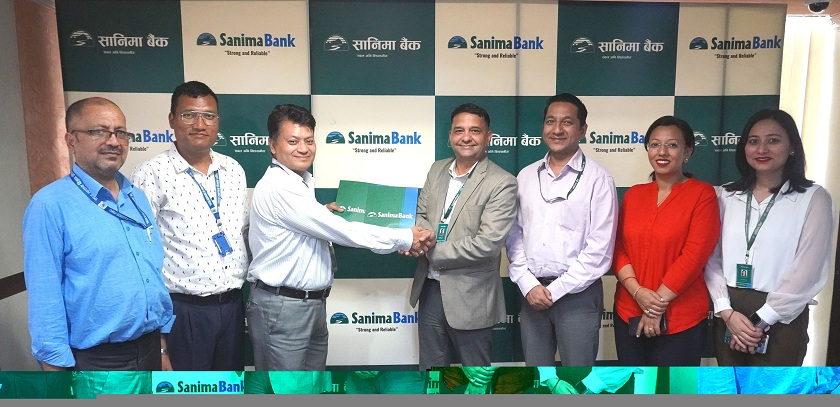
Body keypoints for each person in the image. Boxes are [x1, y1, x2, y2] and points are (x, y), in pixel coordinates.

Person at [246, 104, 434, 371]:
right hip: (284, 309)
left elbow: (303, 227)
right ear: (273, 146)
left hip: (309, 305)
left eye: (309, 140)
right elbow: (344, 231)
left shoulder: (299, 184)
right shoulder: (279, 188)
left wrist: (321, 214)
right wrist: (405, 237)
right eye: (293, 141)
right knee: (286, 389)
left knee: (310, 387)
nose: (303, 148)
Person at [22, 97, 174, 391]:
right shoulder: (50, 205)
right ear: (71, 140)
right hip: (98, 363)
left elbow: (152, 277)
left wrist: (161, 347)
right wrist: (56, 376)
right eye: (99, 131)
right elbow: (44, 298)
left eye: (120, 132)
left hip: (149, 350)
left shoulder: (137, 197)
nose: (113, 141)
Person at [130, 81, 249, 371]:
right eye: (189, 115)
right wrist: (159, 340)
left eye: (209, 116)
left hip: (233, 306)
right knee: (189, 391)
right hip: (182, 312)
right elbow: (139, 257)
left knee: (229, 389)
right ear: (172, 119)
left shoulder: (233, 169)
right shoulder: (151, 173)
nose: (199, 124)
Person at [704, 109, 836, 365]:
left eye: (773, 140)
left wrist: (760, 320)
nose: (762, 149)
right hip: (730, 310)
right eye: (753, 141)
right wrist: (726, 310)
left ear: (792, 147)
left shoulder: (813, 198)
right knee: (730, 386)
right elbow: (711, 257)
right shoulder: (725, 195)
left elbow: (808, 270)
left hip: (782, 316)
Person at [506, 93, 617, 366]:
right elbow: (514, 235)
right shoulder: (526, 176)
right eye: (550, 121)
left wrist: (554, 291)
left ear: (582, 130)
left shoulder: (599, 179)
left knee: (577, 378)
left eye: (567, 122)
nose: (557, 129)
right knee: (538, 377)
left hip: (578, 297)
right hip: (532, 294)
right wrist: (528, 284)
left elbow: (599, 250)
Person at [408, 103, 517, 371]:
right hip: (430, 290)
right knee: (432, 375)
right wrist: (418, 237)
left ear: (488, 137)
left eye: (474, 131)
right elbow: (420, 214)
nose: (466, 137)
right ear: (450, 136)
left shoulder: (502, 182)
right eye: (459, 130)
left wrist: (427, 249)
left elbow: (487, 244)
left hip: (472, 296)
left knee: (475, 377)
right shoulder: (436, 170)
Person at [612, 116, 720, 366]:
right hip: (628, 311)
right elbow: (617, 248)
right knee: (634, 384)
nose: (662, 152)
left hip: (681, 319)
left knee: (672, 386)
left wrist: (654, 306)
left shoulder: (702, 194)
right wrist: (637, 292)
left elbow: (694, 256)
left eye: (672, 145)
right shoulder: (634, 194)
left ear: (687, 152)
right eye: (654, 144)